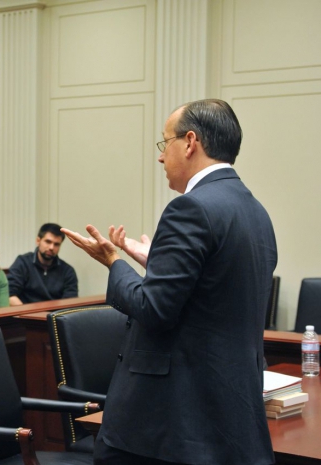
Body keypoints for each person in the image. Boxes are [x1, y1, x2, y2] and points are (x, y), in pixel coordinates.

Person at [62, 99, 277, 465]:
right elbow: (216, 287)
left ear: (190, 142)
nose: (161, 158)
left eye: (165, 144)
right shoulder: (256, 211)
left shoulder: (190, 208)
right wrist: (156, 263)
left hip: (171, 424)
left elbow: (154, 309)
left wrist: (114, 263)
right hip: (230, 416)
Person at [7, 223, 78, 306]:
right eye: (48, 242)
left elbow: (70, 302)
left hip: (54, 317)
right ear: (38, 241)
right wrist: (29, 315)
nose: (51, 247)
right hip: (25, 315)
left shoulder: (67, 271)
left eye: (56, 244)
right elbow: (9, 294)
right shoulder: (23, 262)